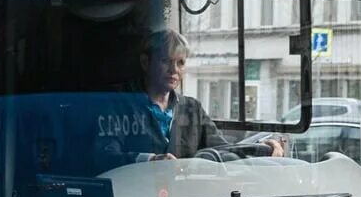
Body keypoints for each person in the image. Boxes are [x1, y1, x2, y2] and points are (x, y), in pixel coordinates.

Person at [94, 29, 284, 169]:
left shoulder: (192, 108)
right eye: (165, 61)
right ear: (145, 62)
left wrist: (259, 148)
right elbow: (103, 156)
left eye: (180, 63)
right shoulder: (116, 103)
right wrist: (149, 160)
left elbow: (221, 149)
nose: (174, 70)